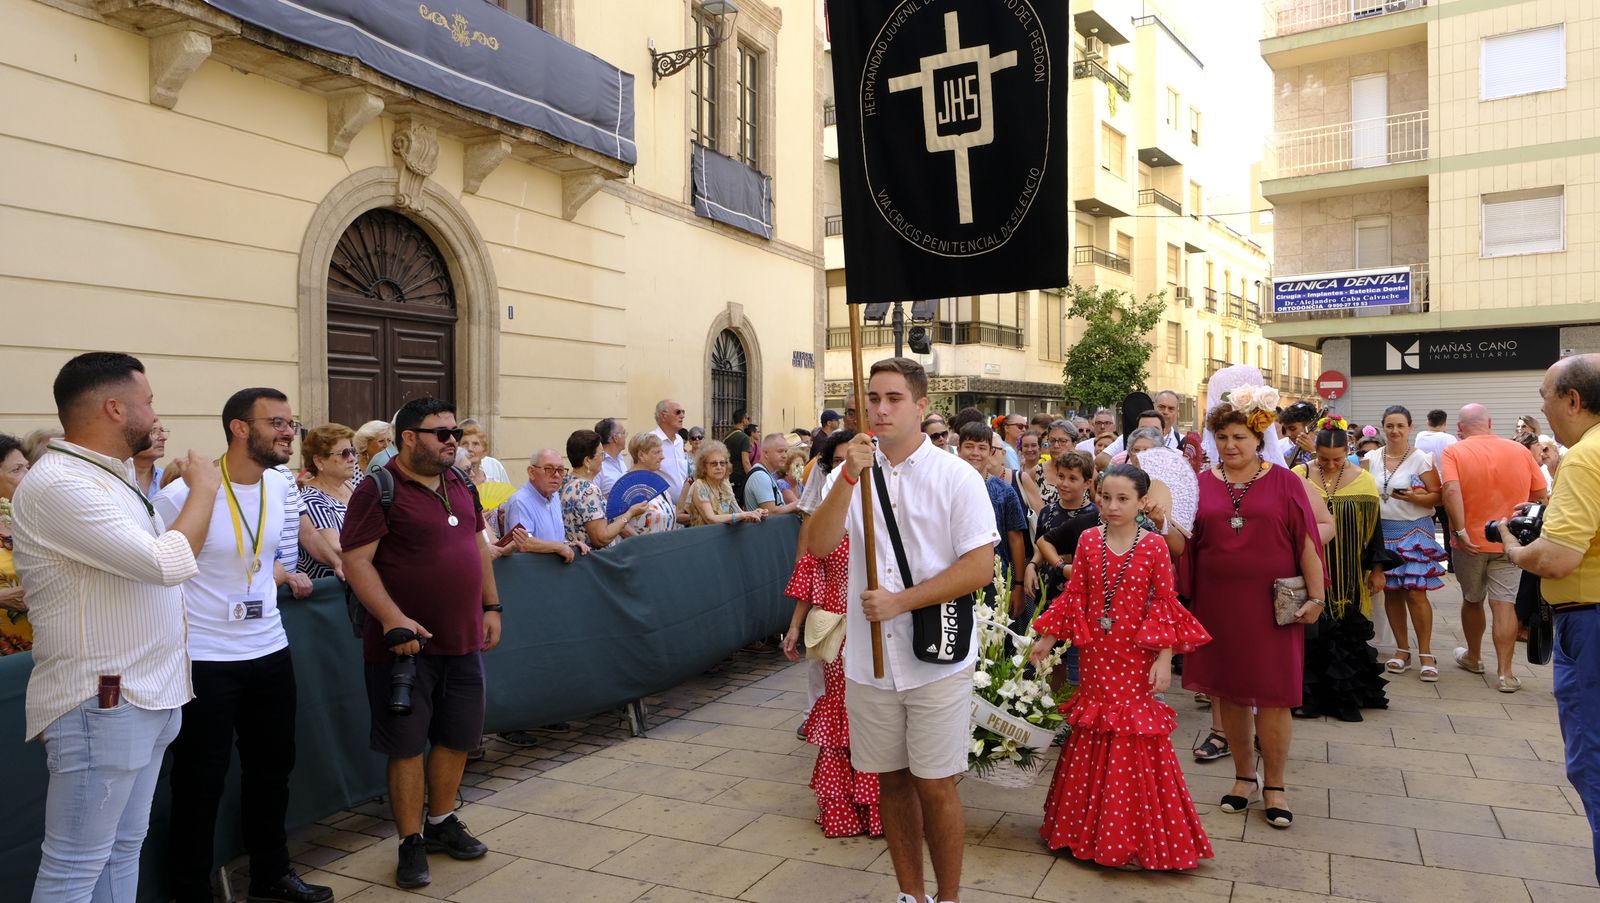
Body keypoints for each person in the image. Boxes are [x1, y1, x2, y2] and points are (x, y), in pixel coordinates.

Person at [11, 353, 223, 902]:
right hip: (102, 700)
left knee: (123, 849)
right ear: (113, 407)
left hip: (145, 694)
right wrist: (205, 487)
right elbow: (166, 563)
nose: (155, 414)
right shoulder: (61, 483)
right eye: (148, 401)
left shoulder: (111, 477)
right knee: (73, 868)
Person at [805, 358, 998, 903]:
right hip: (870, 661)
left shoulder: (955, 475)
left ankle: (950, 897)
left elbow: (979, 567)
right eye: (873, 398)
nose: (881, 409)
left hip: (934, 656)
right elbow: (817, 545)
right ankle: (910, 895)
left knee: (935, 785)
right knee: (889, 780)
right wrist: (845, 475)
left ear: (920, 406)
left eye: (893, 398)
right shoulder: (854, 472)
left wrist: (899, 602)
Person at [155, 389, 332, 903]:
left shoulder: (280, 487)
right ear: (238, 428)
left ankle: (271, 876)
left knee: (273, 772)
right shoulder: (183, 494)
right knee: (199, 783)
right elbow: (157, 570)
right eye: (276, 422)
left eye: (291, 423)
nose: (288, 433)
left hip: (270, 649)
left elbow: (266, 557)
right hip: (205, 659)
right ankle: (190, 890)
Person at [340, 397, 501, 888]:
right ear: (409, 438)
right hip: (402, 648)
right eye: (441, 433)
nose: (453, 440)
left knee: (457, 738)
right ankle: (410, 841)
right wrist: (394, 619)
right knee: (407, 747)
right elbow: (356, 562)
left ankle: (440, 823)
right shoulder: (378, 487)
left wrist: (491, 607)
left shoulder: (459, 482)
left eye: (454, 432)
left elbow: (478, 545)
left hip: (463, 639)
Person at [1028, 463, 1213, 870]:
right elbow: (1075, 596)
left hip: (1135, 655)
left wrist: (1165, 658)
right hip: (1095, 651)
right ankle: (1084, 828)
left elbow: (1167, 603)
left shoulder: (1154, 547)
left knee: (1132, 734)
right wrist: (1046, 639)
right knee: (1092, 728)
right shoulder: (1089, 541)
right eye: (1106, 497)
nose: (1112, 506)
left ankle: (1133, 832)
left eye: (1123, 499)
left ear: (1142, 502)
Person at [1182, 392, 1328, 829]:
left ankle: (1277, 785)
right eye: (1222, 436)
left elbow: (1307, 544)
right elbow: (1185, 546)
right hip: (1217, 605)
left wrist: (1317, 598)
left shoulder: (1286, 482)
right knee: (1229, 696)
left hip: (1272, 608)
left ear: (1258, 438)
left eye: (1240, 436)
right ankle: (1244, 778)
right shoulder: (1201, 483)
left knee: (1274, 697)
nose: (1230, 445)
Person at [1495, 353, 1600, 882]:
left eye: (1545, 396)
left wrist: (1515, 549)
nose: (1541, 406)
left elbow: (1557, 556)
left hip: (1591, 624)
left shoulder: (1585, 457)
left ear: (1574, 401)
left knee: (1595, 766)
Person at [779, 435, 882, 840]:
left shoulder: (882, 511)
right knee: (844, 716)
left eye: (853, 460)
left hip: (881, 628)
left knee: (877, 718)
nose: (847, 467)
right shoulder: (821, 519)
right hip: (839, 635)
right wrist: (793, 626)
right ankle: (844, 809)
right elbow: (810, 572)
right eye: (838, 461)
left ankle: (878, 810)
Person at [1440, 403, 1548, 691]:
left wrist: (1461, 531)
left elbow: (1450, 490)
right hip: (1510, 539)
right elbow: (1540, 493)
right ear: (1489, 423)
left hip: (1470, 542)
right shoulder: (1519, 451)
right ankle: (1506, 673)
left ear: (1460, 428)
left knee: (1473, 599)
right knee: (1505, 604)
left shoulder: (1454, 451)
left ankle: (1474, 657)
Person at [1294, 428, 1390, 721]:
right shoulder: (1298, 474)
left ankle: (1342, 696)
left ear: (1348, 450)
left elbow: (1374, 530)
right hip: (1306, 569)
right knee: (1309, 635)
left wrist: (1376, 570)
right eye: (1324, 459)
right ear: (1315, 452)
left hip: (1348, 573)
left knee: (1345, 632)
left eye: (1337, 459)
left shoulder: (1364, 480)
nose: (1331, 465)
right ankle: (1305, 696)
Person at [1364, 405, 1447, 681]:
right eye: (1390, 425)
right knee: (1392, 591)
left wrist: (1413, 498)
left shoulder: (1422, 458)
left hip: (1414, 532)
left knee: (1415, 591)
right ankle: (1402, 650)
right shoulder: (1371, 457)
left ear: (1410, 427)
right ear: (1383, 427)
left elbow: (1438, 496)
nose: (1395, 431)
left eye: (1400, 425)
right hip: (1383, 532)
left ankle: (1426, 652)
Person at [957, 423, 1027, 613]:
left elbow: (1015, 539)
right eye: (969, 446)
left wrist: (1018, 586)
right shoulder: (945, 488)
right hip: (954, 578)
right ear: (958, 449)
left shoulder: (1004, 491)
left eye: (982, 448)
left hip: (995, 580)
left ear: (991, 452)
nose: (975, 453)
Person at [561, 429, 645, 549]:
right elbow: (601, 538)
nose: (603, 459)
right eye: (601, 455)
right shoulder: (588, 490)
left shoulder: (566, 482)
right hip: (592, 561)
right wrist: (630, 513)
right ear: (587, 461)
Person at [503, 450, 588, 562]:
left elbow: (550, 537)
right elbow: (523, 542)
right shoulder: (520, 501)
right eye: (549, 469)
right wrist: (558, 547)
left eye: (560, 470)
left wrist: (569, 545)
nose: (556, 475)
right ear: (531, 472)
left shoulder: (554, 496)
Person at [297, 422, 357, 581]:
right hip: (334, 589)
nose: (352, 458)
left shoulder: (350, 486)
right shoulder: (311, 498)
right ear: (319, 461)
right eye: (344, 453)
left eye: (352, 451)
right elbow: (336, 548)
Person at [686, 440, 766, 527]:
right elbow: (710, 519)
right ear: (704, 467)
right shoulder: (700, 485)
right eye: (714, 464)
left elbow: (739, 512)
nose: (719, 467)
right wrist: (744, 515)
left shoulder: (725, 483)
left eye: (722, 463)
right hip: (704, 537)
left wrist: (755, 513)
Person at [0, 434, 31, 655]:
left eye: (28, 468)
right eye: (16, 470)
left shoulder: (28, 518)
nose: (28, 476)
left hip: (37, 647)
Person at [619, 432, 677, 537]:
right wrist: (642, 545)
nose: (662, 457)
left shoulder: (656, 482)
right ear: (641, 455)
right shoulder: (626, 485)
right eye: (657, 452)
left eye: (661, 452)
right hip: (642, 550)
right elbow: (620, 524)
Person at [744, 433, 800, 516]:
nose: (785, 456)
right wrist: (797, 505)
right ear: (766, 453)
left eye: (786, 451)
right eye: (780, 451)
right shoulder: (760, 476)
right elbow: (770, 512)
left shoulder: (766, 473)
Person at [649, 400, 689, 505]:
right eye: (678, 412)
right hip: (663, 509)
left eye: (683, 412)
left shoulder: (679, 440)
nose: (682, 416)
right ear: (663, 416)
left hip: (684, 507)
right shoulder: (651, 440)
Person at [457, 419, 510, 485]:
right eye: (465, 444)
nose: (470, 448)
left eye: (475, 444)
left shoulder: (494, 467)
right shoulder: (453, 475)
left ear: (484, 451)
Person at [1277, 401, 1319, 470]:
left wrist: (1313, 452)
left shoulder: (1328, 445)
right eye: (1285, 429)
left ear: (1309, 426)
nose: (1287, 434)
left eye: (1292, 429)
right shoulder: (1290, 452)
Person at [593, 418, 629, 498]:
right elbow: (594, 497)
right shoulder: (598, 464)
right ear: (615, 438)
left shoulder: (620, 458)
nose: (626, 436)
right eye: (624, 433)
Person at [723, 409, 755, 500]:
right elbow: (745, 462)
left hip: (728, 475)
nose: (748, 420)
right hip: (739, 477)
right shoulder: (744, 437)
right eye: (747, 418)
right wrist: (752, 477)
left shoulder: (727, 435)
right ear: (743, 419)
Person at [133, 419, 166, 499]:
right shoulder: (115, 478)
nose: (163, 438)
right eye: (153, 432)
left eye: (162, 431)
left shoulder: (166, 479)